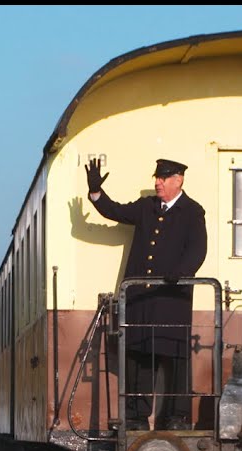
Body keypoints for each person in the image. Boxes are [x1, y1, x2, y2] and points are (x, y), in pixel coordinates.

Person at [86, 157, 207, 430]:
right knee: (139, 356)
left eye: (163, 179)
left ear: (179, 180)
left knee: (175, 357)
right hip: (141, 297)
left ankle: (178, 417)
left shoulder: (192, 211)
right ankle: (136, 417)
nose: (157, 183)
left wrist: (182, 272)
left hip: (171, 297)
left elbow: (198, 249)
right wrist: (96, 193)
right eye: (156, 178)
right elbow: (114, 211)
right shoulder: (146, 207)